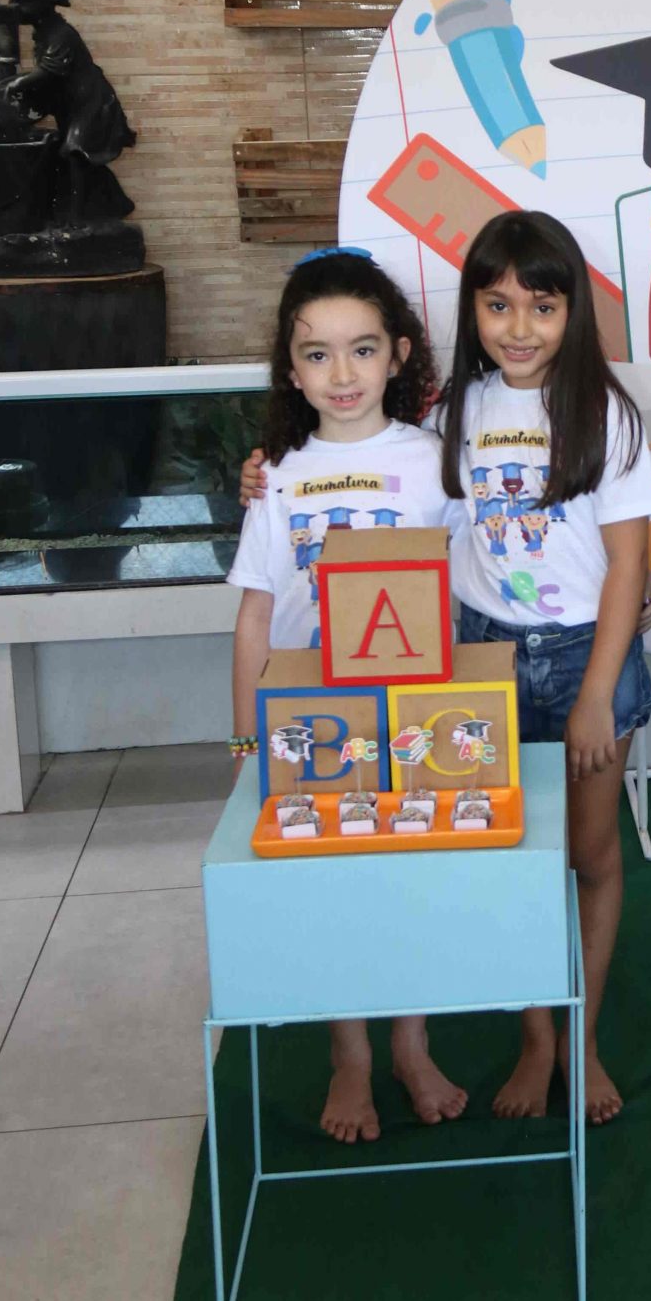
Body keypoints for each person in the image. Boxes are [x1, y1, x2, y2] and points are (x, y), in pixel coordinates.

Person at [438, 210, 651, 1126]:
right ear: (473, 311)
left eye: (541, 305)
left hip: (584, 658)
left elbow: (628, 565)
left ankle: (583, 1035)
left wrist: (596, 695)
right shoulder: (454, 411)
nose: (519, 327)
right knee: (513, 854)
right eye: (498, 305)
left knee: (587, 855)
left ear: (573, 311)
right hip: (483, 654)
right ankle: (538, 1035)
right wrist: (266, 477)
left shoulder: (607, 414)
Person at [228, 247, 458, 1146]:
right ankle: (350, 1054)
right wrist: (245, 744)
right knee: (331, 882)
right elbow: (256, 614)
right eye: (317, 353)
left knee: (411, 876)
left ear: (398, 354)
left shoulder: (435, 461)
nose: (342, 373)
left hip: (412, 713)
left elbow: (477, 582)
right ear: (291, 370)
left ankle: (411, 1043)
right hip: (310, 720)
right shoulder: (277, 474)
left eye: (362, 349)